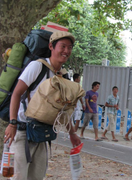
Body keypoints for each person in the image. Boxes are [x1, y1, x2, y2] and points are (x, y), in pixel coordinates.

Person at [4, 31, 81, 180]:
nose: (66, 51)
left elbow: (63, 111)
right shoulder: (37, 66)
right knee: (15, 177)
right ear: (51, 46)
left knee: (37, 177)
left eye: (69, 47)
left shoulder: (63, 76)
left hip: (42, 136)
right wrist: (12, 123)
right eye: (63, 46)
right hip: (21, 133)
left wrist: (72, 133)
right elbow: (16, 93)